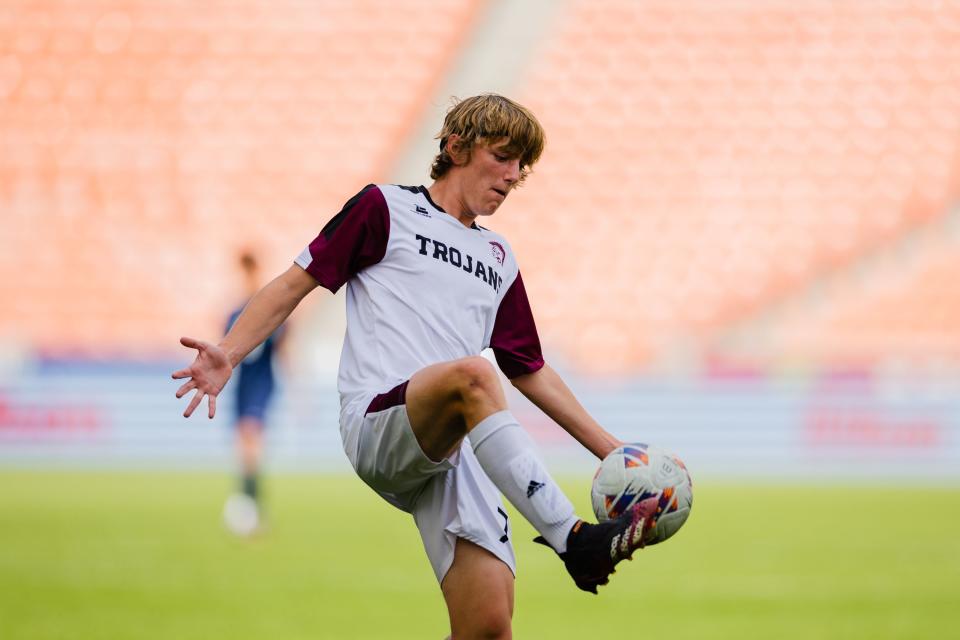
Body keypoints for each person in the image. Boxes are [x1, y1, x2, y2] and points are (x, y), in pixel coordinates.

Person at [173, 94, 657, 639]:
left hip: (451, 445)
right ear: (455, 146)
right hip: (380, 421)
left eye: (520, 167)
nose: (512, 175)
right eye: (502, 156)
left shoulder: (500, 258)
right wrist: (229, 352)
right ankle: (573, 539)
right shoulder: (385, 209)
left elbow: (530, 368)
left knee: (488, 627)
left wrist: (614, 452)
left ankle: (568, 543)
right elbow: (293, 283)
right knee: (474, 374)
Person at [221, 250, 286, 536]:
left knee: (250, 442)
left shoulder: (271, 310)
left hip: (261, 384)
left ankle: (252, 508)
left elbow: (284, 352)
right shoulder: (235, 313)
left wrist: (299, 391)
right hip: (242, 386)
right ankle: (252, 507)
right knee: (244, 449)